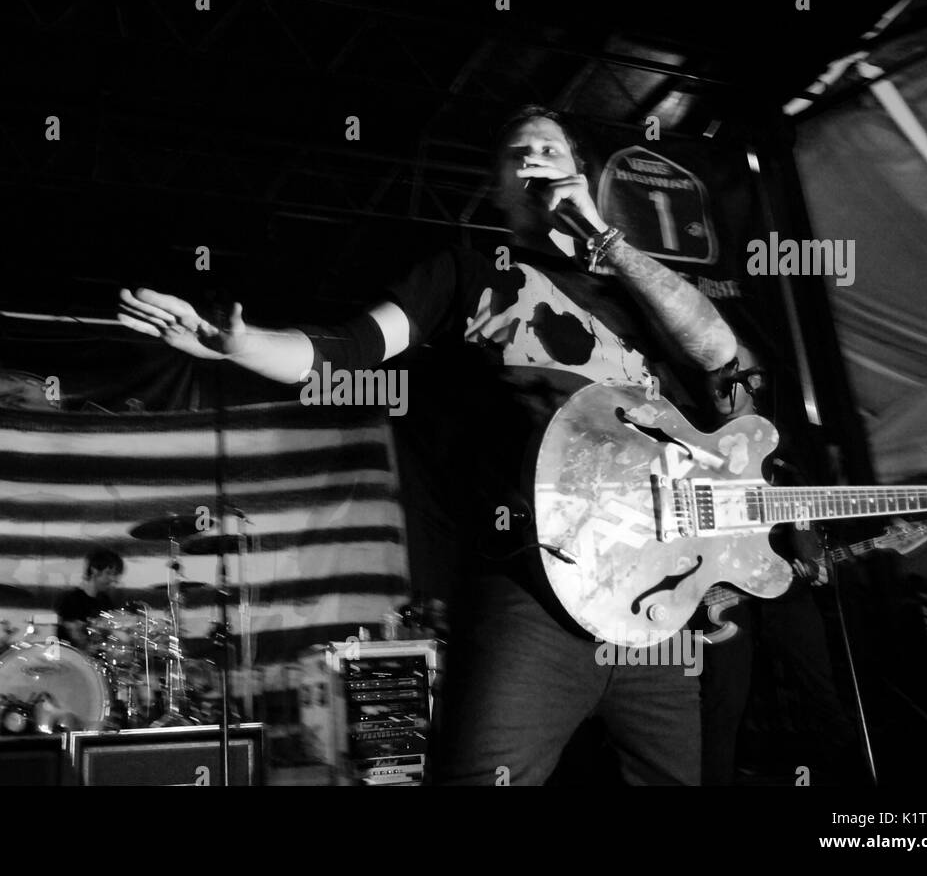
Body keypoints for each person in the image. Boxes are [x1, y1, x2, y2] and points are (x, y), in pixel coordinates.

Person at [118, 104, 737, 784]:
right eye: (515, 155)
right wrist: (239, 344)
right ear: (497, 187)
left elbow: (717, 351)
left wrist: (607, 240)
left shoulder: (638, 291)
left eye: (548, 151)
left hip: (652, 601)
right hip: (535, 588)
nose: (531, 161)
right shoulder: (469, 274)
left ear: (582, 174)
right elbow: (348, 350)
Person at [697, 347, 861, 785]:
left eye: (735, 374)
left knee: (819, 688)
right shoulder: (688, 437)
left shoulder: (781, 448)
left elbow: (804, 513)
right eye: (715, 374)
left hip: (780, 579)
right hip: (719, 588)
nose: (723, 382)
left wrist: (814, 552)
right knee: (723, 703)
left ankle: (844, 775)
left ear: (755, 384)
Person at [54, 549, 124, 652]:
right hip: (73, 660)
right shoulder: (71, 599)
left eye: (114, 575)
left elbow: (110, 630)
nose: (113, 579)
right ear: (94, 570)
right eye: (108, 573)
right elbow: (74, 635)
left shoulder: (106, 601)